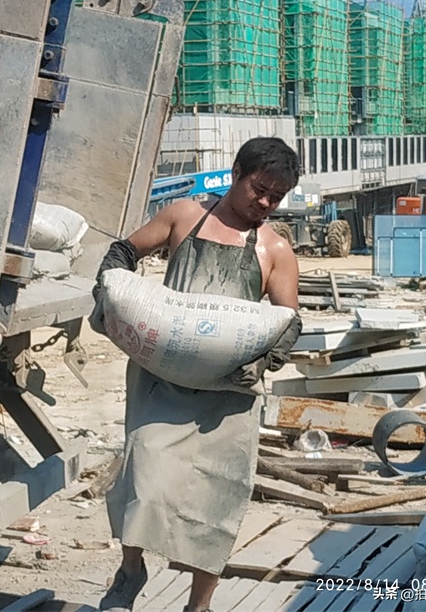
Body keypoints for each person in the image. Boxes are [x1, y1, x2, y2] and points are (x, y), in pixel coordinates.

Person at [92, 137, 303, 612]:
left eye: (276, 197)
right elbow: (124, 251)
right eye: (259, 190)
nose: (265, 203)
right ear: (236, 172)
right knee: (144, 477)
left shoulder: (275, 249)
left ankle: (199, 604)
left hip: (227, 397)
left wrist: (264, 362)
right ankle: (131, 570)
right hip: (161, 384)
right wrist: (109, 289)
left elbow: (288, 322)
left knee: (216, 499)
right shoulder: (185, 216)